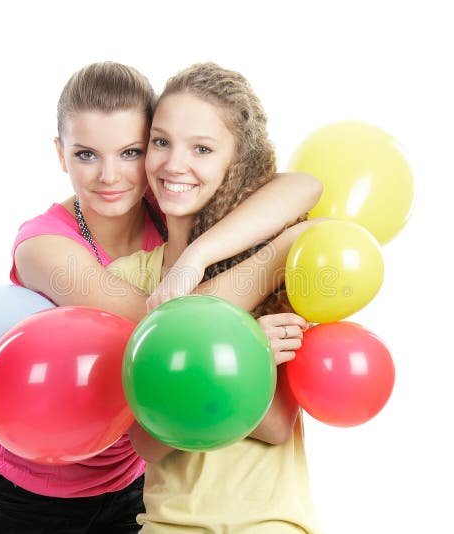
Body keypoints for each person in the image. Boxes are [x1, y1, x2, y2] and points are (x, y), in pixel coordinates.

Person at [0, 61, 321, 533]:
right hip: (32, 491)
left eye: (130, 151)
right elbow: (164, 331)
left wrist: (198, 254)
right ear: (60, 153)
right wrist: (278, 260)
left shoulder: (171, 208)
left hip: (133, 486)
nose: (110, 177)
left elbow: (303, 186)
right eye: (87, 154)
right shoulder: (46, 247)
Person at [107, 62, 323, 533]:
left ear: (237, 162)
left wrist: (196, 264)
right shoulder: (127, 279)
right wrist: (247, 352)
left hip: (269, 525)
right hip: (169, 526)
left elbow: (275, 425)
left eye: (201, 148)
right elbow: (147, 442)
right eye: (160, 142)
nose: (173, 164)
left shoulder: (278, 260)